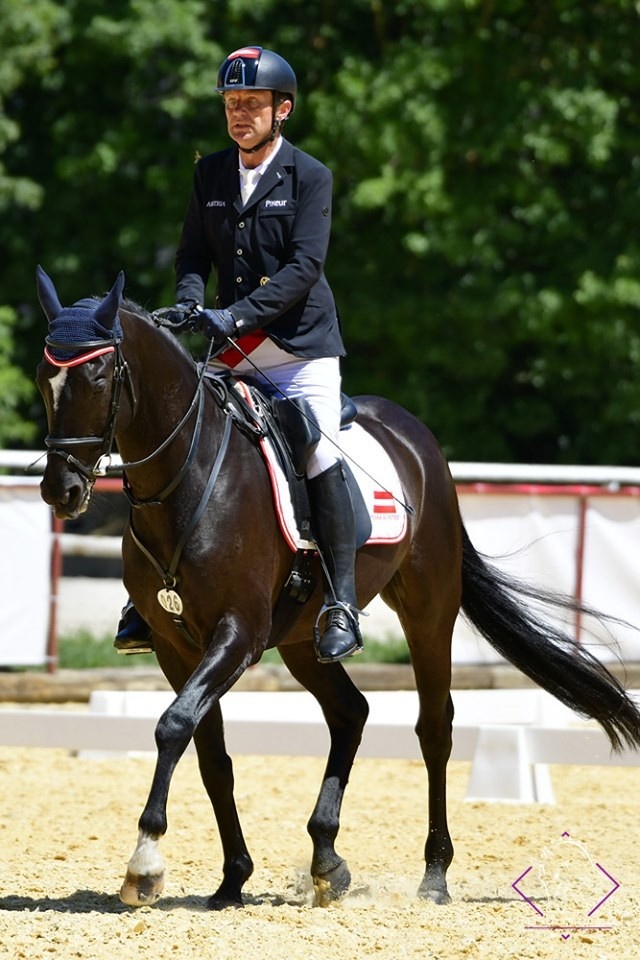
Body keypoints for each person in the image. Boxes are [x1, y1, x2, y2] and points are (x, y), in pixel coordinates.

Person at [115, 45, 362, 664]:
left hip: (301, 349)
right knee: (180, 432)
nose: (239, 114)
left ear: (283, 110)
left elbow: (305, 267)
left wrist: (233, 316)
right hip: (236, 347)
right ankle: (145, 597)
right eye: (231, 104)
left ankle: (342, 603)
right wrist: (190, 302)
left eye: (251, 103)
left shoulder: (310, 176)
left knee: (316, 449)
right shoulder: (212, 173)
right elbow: (193, 254)